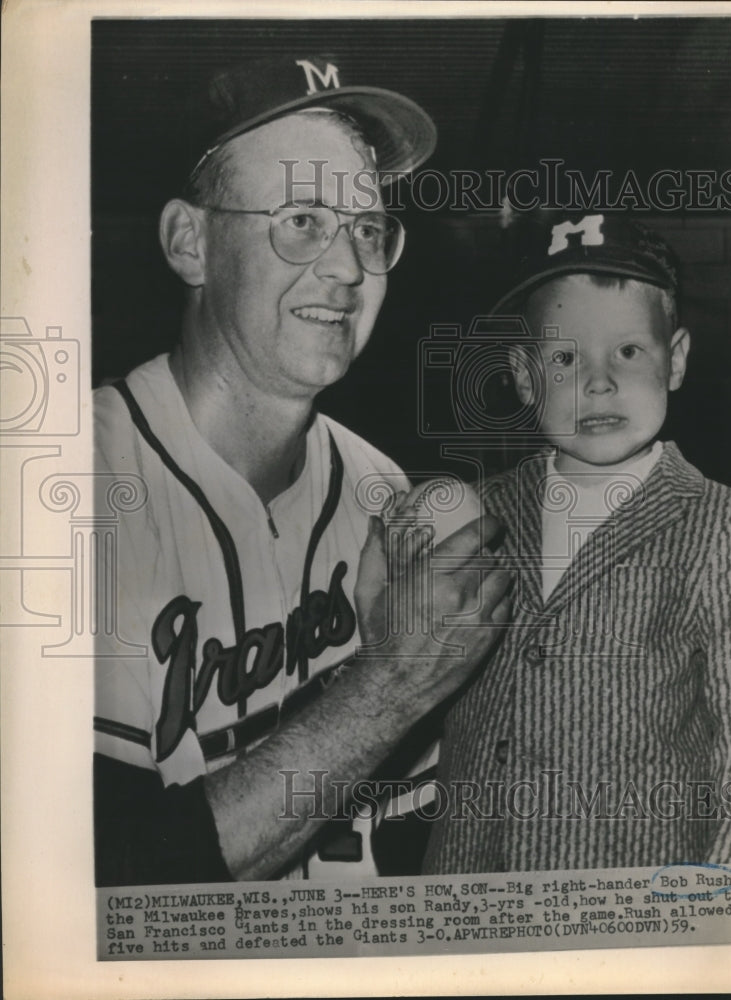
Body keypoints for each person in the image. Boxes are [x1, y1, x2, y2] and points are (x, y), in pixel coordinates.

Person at [93, 54, 512, 885]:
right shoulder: (62, 488)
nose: (349, 269)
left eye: (366, 229)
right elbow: (107, 883)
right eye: (301, 221)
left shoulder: (380, 491)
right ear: (190, 242)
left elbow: (415, 834)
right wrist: (393, 680)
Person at [424, 212, 731, 873]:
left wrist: (725, 908)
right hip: (472, 891)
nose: (597, 381)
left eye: (627, 350)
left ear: (673, 360)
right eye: (563, 357)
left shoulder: (727, 526)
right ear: (524, 378)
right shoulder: (479, 512)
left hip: (638, 896)